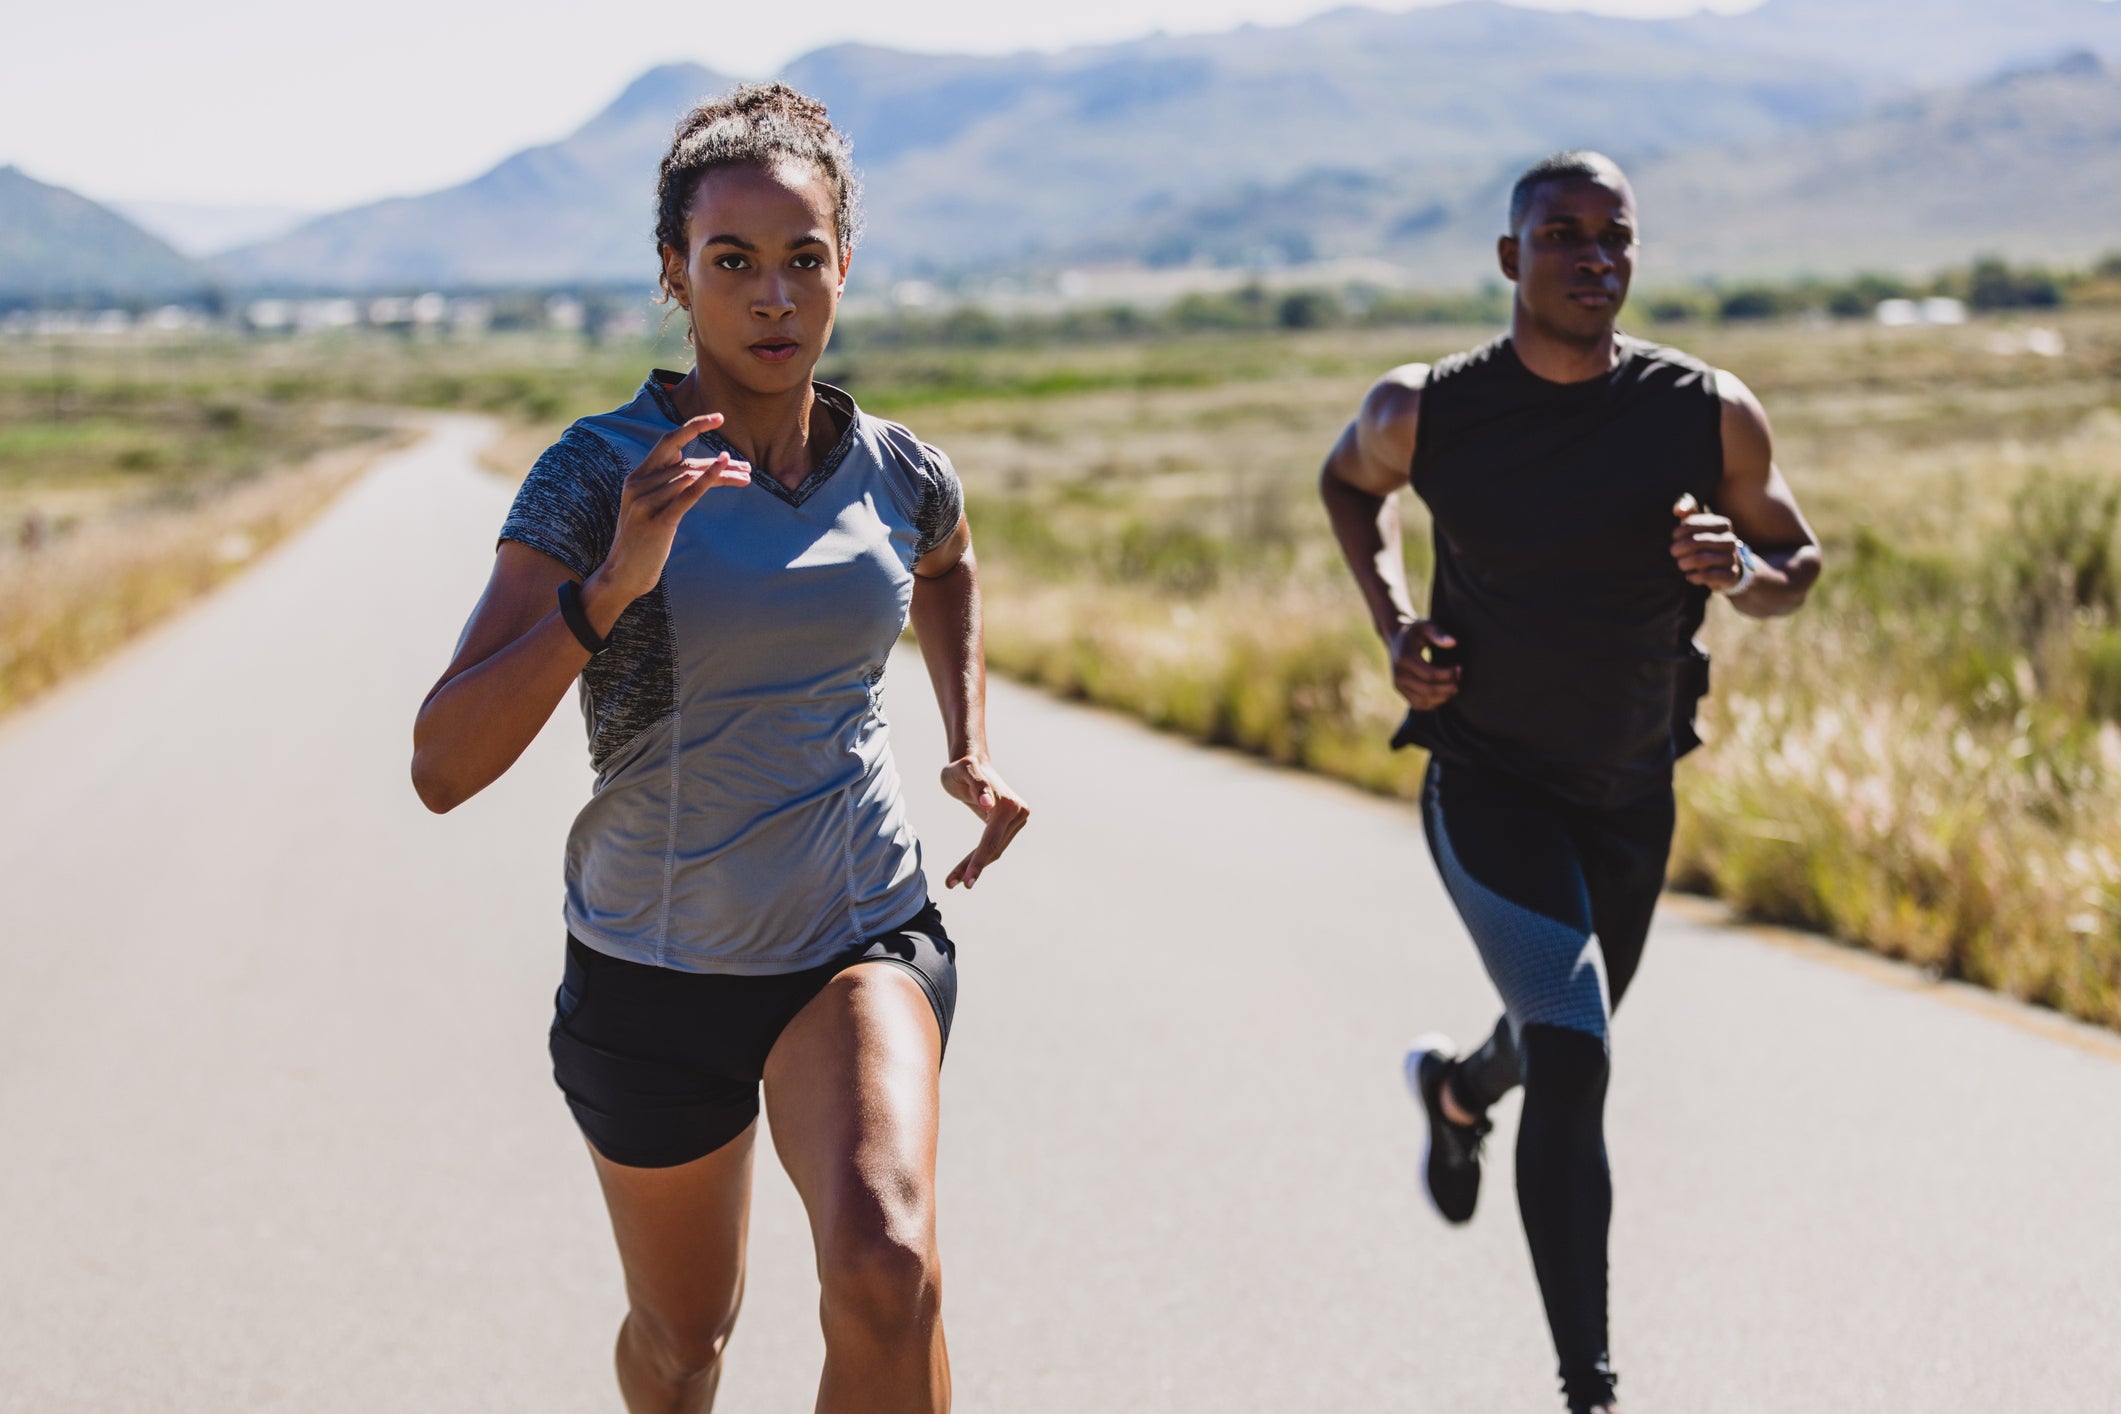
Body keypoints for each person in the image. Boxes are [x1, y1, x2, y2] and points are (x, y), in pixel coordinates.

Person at [411, 83, 1028, 1414]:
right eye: (732, 261)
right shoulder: (598, 474)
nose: (773, 297)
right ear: (673, 275)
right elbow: (442, 765)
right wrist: (612, 585)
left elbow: (949, 561)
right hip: (654, 968)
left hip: (857, 929)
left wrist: (967, 741)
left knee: (890, 1267)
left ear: (845, 265)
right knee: (684, 1339)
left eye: (804, 258)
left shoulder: (900, 469)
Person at [1318, 151, 1821, 1413]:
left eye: (1615, 236)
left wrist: (1739, 574)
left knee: (1556, 1041)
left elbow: (1797, 563)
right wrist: (1393, 623)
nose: (1594, 257)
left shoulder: (1706, 410)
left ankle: (1454, 1091)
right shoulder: (1427, 409)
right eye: (1563, 235)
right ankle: (1588, 1386)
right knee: (1577, 1047)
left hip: (1632, 792)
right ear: (1511, 257)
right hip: (1487, 778)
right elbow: (1349, 485)